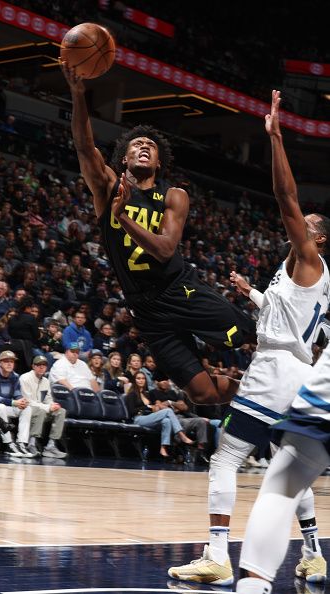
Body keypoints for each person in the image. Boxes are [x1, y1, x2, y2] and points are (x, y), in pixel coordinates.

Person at [167, 89, 330, 585]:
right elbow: (291, 319)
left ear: (318, 238)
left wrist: (276, 137)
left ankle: (217, 552)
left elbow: (285, 197)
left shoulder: (309, 259)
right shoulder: (299, 275)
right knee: (289, 464)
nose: (301, 225)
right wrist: (254, 295)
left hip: (275, 367)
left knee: (228, 455)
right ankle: (314, 553)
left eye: (310, 225)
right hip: (298, 370)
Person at [60, 62, 256, 406]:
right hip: (144, 308)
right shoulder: (107, 188)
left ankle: (306, 370)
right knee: (201, 394)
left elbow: (165, 250)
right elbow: (83, 146)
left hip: (178, 289)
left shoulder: (173, 194)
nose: (144, 146)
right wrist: (78, 95)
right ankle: (262, 400)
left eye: (150, 144)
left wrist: (122, 217)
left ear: (159, 163)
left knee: (251, 335)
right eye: (136, 144)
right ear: (123, 159)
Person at [236, 340, 330, 594]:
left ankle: (252, 586)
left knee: (282, 487)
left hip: (284, 368)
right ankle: (313, 553)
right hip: (301, 367)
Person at [0, 350, 42, 458]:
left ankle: (21, 443)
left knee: (27, 408)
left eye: (12, 362)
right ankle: (8, 443)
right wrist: (14, 402)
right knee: (0, 407)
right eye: (6, 361)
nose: (10, 364)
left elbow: (17, 394)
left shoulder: (15, 376)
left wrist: (22, 401)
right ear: (0, 363)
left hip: (7, 406)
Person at [125, 371, 196, 459]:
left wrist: (154, 407)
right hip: (138, 418)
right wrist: (148, 407)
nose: (141, 380)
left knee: (166, 421)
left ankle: (163, 448)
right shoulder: (132, 394)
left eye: (143, 378)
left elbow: (154, 407)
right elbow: (131, 411)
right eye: (138, 378)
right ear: (134, 380)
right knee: (168, 411)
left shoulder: (147, 394)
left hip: (149, 417)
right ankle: (181, 435)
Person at [19, 355, 67, 459]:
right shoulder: (25, 378)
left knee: (61, 411)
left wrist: (52, 405)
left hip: (41, 409)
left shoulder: (46, 381)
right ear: (33, 366)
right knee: (40, 410)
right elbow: (27, 401)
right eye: (38, 365)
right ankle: (31, 444)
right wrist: (47, 407)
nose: (41, 367)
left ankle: (50, 446)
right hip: (27, 409)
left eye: (44, 365)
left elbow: (48, 399)